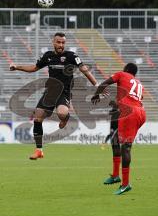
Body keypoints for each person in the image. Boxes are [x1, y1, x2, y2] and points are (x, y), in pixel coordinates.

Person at [10, 32, 98, 160]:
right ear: (53, 42)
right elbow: (34, 68)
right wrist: (17, 67)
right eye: (59, 42)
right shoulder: (48, 56)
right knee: (37, 118)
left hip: (64, 92)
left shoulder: (71, 56)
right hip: (50, 92)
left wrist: (97, 86)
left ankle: (65, 118)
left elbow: (85, 70)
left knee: (62, 113)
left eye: (63, 43)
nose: (61, 45)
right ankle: (39, 150)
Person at [91, 63, 146, 195]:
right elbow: (136, 99)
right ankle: (116, 175)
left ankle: (125, 184)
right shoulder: (138, 84)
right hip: (138, 112)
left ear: (126, 70)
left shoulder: (121, 74)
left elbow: (105, 83)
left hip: (130, 113)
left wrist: (96, 95)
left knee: (125, 147)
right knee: (115, 139)